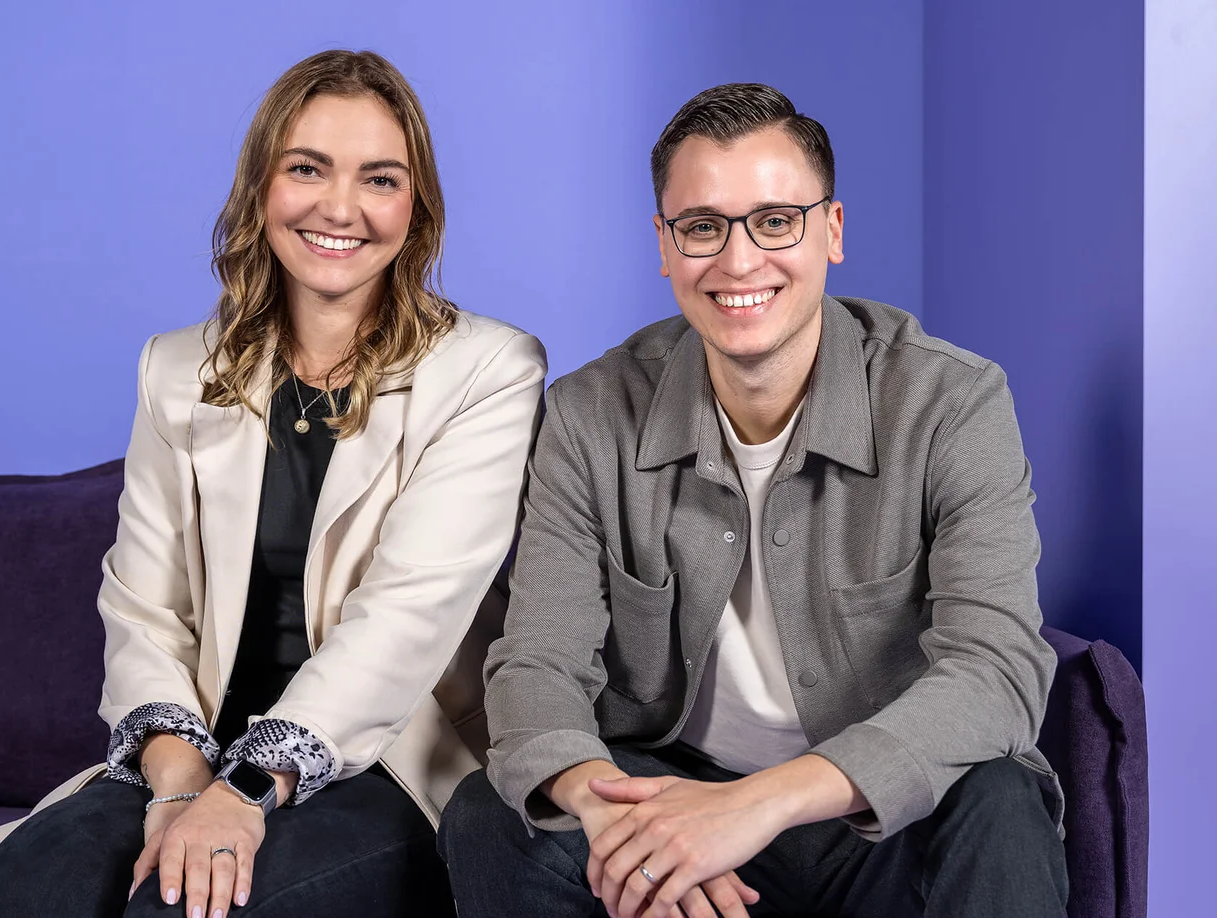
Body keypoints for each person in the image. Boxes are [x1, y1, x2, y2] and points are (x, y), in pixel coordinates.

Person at [440, 82, 1067, 918]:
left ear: (831, 231)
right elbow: (538, 665)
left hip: (874, 806)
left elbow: (997, 672)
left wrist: (755, 807)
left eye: (776, 220)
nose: (739, 261)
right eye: (702, 227)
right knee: (495, 818)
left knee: (999, 801)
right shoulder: (589, 414)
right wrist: (623, 824)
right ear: (664, 246)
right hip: (671, 786)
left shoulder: (953, 403)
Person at [0, 49, 546, 918]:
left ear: (415, 206)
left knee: (189, 908)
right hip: (199, 743)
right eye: (307, 168)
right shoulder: (174, 370)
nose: (339, 207)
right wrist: (174, 783)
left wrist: (243, 794)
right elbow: (142, 606)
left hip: (386, 754)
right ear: (260, 187)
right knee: (33, 887)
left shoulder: (489, 369)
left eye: (378, 178)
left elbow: (408, 616)